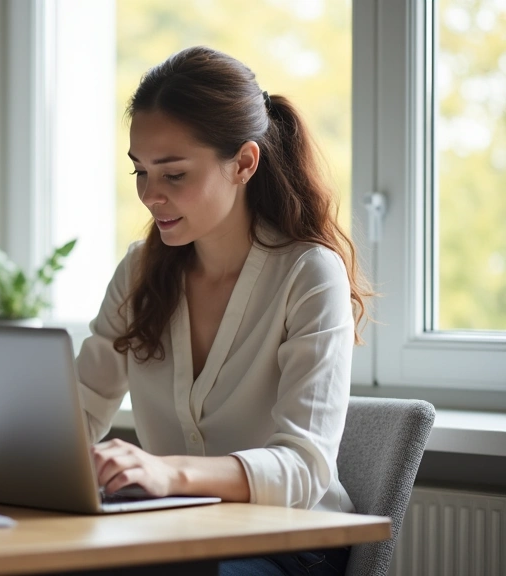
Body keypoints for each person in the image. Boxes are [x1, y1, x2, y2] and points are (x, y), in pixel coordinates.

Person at [75, 46, 371, 576]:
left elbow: (304, 468)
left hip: (289, 544)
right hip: (175, 536)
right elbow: (82, 407)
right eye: (140, 172)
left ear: (243, 163)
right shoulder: (140, 270)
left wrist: (166, 474)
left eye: (174, 174)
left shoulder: (309, 274)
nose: (150, 195)